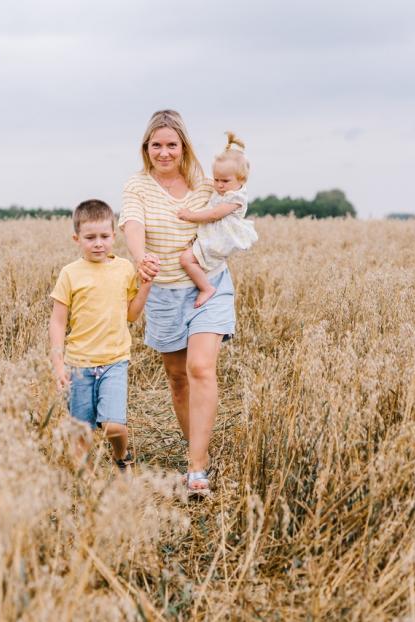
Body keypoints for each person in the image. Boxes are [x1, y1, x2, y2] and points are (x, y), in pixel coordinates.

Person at [119, 110, 237, 496]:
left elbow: (235, 201)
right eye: (157, 145)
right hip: (165, 292)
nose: (164, 152)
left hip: (209, 286)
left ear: (182, 146)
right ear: (146, 149)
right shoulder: (136, 187)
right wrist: (140, 257)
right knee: (177, 378)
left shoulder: (205, 185)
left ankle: (196, 468)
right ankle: (196, 447)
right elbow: (132, 225)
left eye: (172, 144)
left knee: (201, 367)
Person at [48, 199, 155, 469]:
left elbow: (131, 315)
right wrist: (58, 363)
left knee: (114, 426)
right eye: (90, 237)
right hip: (79, 365)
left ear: (114, 236)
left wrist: (145, 287)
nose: (98, 243)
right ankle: (85, 487)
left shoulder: (124, 269)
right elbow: (58, 322)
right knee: (81, 433)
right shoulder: (70, 274)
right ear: (77, 238)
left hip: (114, 361)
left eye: (105, 236)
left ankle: (122, 457)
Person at [177, 132, 258, 308]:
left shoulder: (236, 198)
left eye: (225, 181)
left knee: (185, 259)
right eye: (216, 180)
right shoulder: (224, 191)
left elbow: (214, 215)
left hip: (219, 240)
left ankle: (206, 288)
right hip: (211, 234)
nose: (219, 185)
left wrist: (189, 215)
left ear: (241, 179)